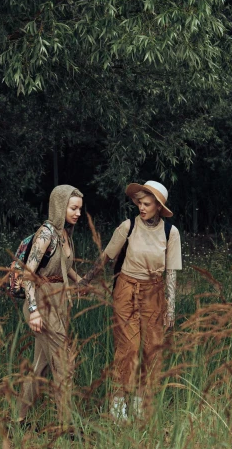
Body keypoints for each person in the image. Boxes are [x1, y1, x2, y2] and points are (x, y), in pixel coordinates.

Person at [79, 180, 182, 421]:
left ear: (158, 206)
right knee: (129, 349)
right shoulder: (128, 226)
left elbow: (171, 273)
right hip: (127, 290)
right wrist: (85, 280)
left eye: (146, 204)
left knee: (151, 351)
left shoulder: (171, 233)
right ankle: (117, 406)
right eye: (139, 203)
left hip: (155, 294)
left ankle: (138, 405)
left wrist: (171, 308)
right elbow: (106, 256)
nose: (141, 207)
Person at [17, 185, 84, 430]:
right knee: (64, 362)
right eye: (73, 208)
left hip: (59, 304)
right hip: (42, 305)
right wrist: (33, 310)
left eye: (79, 209)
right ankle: (66, 425)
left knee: (40, 366)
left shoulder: (65, 234)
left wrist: (79, 280)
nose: (77, 213)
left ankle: (19, 419)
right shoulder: (46, 234)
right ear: (59, 205)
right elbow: (28, 275)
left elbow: (63, 266)